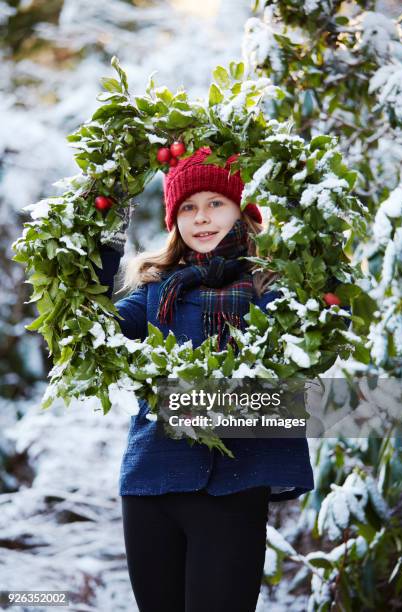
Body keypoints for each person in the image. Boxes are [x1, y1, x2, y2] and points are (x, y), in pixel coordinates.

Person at [96, 147, 314, 612]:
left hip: (233, 490)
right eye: (189, 207)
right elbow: (95, 335)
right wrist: (103, 241)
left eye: (216, 202)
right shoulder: (155, 292)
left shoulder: (272, 293)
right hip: (151, 486)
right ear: (175, 220)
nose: (202, 218)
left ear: (241, 209)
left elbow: (308, 367)